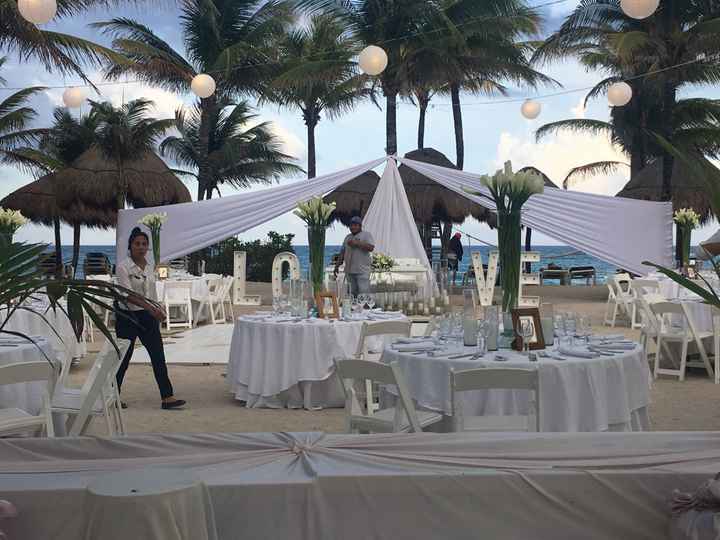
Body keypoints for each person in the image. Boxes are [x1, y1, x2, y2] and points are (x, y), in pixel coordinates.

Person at [114, 227, 186, 410]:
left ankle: (167, 397)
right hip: (128, 317)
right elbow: (128, 295)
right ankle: (111, 397)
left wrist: (158, 309)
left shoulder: (150, 267)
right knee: (123, 358)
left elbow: (152, 293)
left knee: (158, 356)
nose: (141, 247)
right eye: (137, 243)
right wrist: (151, 309)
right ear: (130, 246)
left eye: (144, 244)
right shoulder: (122, 267)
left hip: (147, 317)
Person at [334, 216, 375, 296]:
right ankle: (353, 308)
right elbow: (342, 253)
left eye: (355, 225)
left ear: (360, 226)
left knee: (363, 296)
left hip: (362, 271)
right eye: (351, 225)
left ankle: (365, 308)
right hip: (349, 271)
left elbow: (371, 247)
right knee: (351, 295)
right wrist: (337, 266)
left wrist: (358, 243)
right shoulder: (347, 237)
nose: (353, 227)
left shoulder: (366, 235)